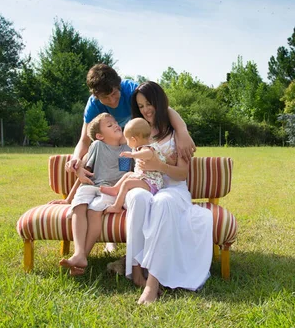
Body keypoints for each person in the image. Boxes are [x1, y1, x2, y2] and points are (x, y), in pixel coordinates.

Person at [64, 63, 196, 252]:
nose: (112, 101)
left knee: (126, 174)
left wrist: (182, 131)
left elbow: (161, 108)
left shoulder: (130, 89)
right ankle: (112, 238)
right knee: (117, 175)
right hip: (120, 148)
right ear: (96, 96)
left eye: (114, 94)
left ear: (119, 86)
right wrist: (76, 159)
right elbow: (85, 139)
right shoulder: (93, 105)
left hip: (136, 146)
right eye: (105, 98)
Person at [122, 81, 213, 304]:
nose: (145, 109)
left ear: (159, 102)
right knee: (137, 197)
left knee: (163, 202)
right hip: (145, 186)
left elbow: (182, 174)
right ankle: (135, 272)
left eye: (149, 103)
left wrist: (160, 166)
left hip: (173, 189)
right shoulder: (139, 132)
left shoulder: (176, 134)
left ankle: (152, 283)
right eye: (141, 106)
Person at [58, 113, 131, 275]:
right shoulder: (97, 146)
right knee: (79, 205)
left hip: (111, 189)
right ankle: (78, 252)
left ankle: (83, 256)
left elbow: (124, 174)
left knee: (94, 211)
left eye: (116, 123)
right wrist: (69, 198)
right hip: (91, 184)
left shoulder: (126, 149)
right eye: (110, 125)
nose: (116, 125)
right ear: (99, 136)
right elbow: (86, 173)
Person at [100, 117, 165, 214]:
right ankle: (115, 189)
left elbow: (148, 154)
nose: (126, 142)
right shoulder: (146, 145)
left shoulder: (147, 148)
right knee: (128, 174)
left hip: (151, 183)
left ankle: (116, 206)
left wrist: (132, 154)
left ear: (134, 139)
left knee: (127, 183)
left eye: (127, 139)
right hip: (144, 178)